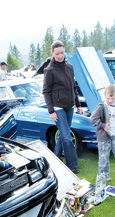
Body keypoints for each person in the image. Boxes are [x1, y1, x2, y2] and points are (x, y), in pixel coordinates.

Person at [42, 40, 83, 174]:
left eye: (62, 53)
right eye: (57, 53)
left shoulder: (69, 67)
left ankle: (55, 160)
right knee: (66, 137)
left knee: (62, 137)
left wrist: (78, 104)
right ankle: (72, 165)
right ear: (53, 54)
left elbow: (73, 87)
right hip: (57, 108)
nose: (60, 56)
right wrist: (51, 111)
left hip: (69, 106)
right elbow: (46, 91)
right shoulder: (49, 70)